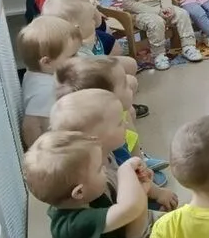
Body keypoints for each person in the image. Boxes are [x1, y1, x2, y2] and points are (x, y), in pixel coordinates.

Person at [50, 90, 173, 238]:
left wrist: (151, 190)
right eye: (119, 123)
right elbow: (128, 232)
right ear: (95, 138)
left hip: (136, 222)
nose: (126, 124)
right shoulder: (92, 185)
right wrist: (129, 176)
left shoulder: (107, 154)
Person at [23, 130, 151, 238]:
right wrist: (125, 170)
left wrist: (140, 192)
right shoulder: (73, 226)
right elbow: (129, 208)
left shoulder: (92, 199)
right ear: (79, 192)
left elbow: (132, 231)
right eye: (99, 169)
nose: (106, 170)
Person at [54, 57, 172, 190]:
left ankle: (141, 160)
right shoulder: (111, 144)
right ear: (106, 97)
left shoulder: (117, 119)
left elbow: (132, 138)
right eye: (124, 85)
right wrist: (148, 187)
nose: (130, 86)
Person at [33, 0, 139, 78]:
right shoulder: (53, 15)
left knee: (113, 45)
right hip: (83, 59)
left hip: (94, 43)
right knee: (127, 66)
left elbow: (100, 27)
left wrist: (93, 13)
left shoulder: (74, 2)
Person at [41, 0, 145, 118]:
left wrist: (92, 10)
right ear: (78, 29)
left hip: (93, 71)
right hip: (91, 93)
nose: (94, 22)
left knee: (130, 65)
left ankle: (124, 102)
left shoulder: (71, 42)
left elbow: (99, 25)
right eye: (90, 19)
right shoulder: (77, 49)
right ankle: (123, 109)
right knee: (130, 83)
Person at [18, 16, 82, 148]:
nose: (78, 58)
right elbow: (30, 126)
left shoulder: (35, 74)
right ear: (46, 62)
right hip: (56, 146)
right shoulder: (45, 90)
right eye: (72, 55)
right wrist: (38, 152)